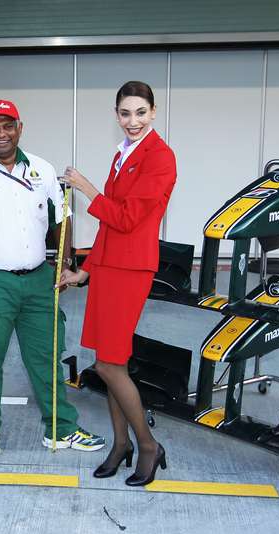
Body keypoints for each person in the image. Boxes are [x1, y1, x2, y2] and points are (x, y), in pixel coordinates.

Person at [0, 99, 105, 457]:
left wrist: (64, 261)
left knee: (46, 356)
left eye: (7, 126)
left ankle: (60, 429)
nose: (1, 134)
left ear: (19, 128)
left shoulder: (41, 170)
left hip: (39, 281)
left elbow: (63, 217)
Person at [59, 81, 176, 486]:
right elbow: (110, 226)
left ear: (153, 112)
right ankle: (120, 443)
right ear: (117, 114)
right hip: (109, 268)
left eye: (140, 113)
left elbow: (126, 219)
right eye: (125, 113)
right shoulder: (123, 153)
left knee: (108, 363)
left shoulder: (160, 157)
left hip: (131, 271)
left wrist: (86, 187)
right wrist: (86, 270)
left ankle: (148, 446)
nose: (132, 121)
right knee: (113, 363)